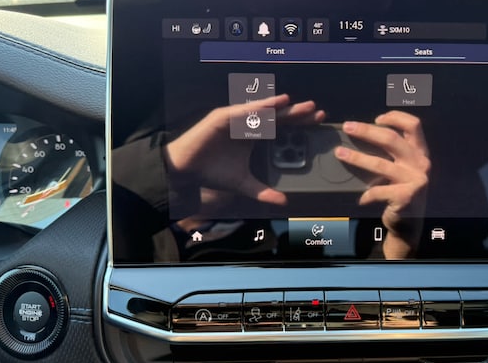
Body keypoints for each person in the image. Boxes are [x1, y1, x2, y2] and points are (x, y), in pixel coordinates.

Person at [164, 94, 430, 260]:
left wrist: (402, 241)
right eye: (194, 131)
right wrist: (167, 168)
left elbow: (360, 310)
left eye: (227, 140)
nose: (213, 153)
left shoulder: (284, 238)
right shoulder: (138, 223)